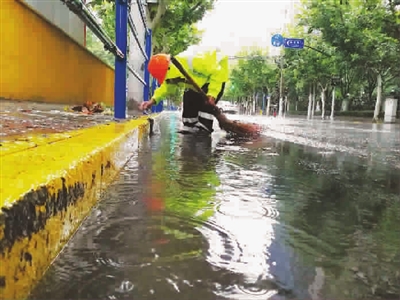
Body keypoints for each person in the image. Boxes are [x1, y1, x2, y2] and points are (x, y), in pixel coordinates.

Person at [139, 49, 229, 134]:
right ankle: (190, 127)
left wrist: (212, 94)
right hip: (196, 84)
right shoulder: (172, 72)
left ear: (168, 70)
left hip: (216, 78)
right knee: (188, 102)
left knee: (206, 107)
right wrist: (153, 101)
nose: (171, 81)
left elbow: (218, 73)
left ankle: (204, 129)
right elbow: (166, 87)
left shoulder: (194, 61)